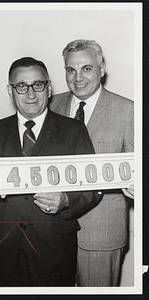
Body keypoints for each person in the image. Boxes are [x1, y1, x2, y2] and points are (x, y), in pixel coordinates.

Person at [0, 57, 103, 287]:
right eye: (21, 86)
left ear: (49, 88)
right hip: (2, 251)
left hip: (54, 252)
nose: (30, 94)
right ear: (10, 91)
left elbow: (93, 187)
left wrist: (66, 201)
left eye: (38, 85)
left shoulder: (73, 130)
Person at [50, 39, 134, 286]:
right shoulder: (52, 104)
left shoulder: (127, 111)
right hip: (53, 232)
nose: (78, 77)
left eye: (86, 68)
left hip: (101, 236)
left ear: (102, 68)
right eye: (70, 70)